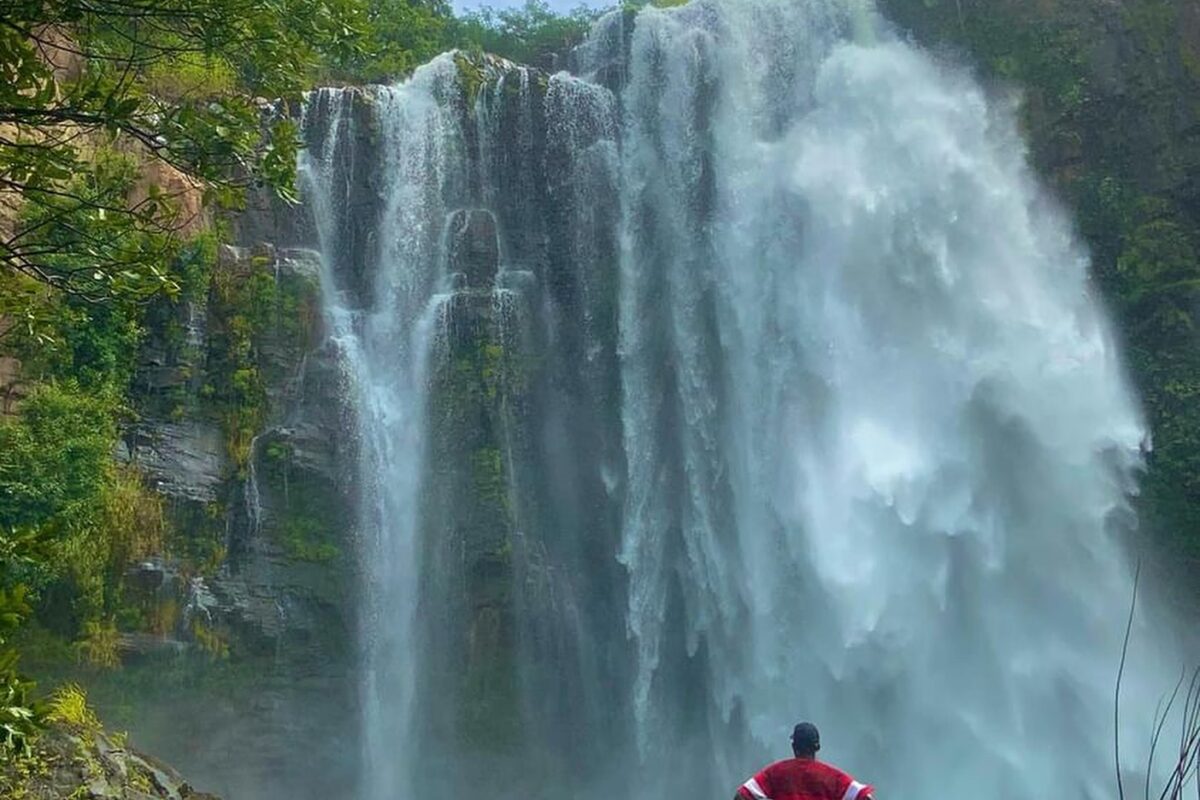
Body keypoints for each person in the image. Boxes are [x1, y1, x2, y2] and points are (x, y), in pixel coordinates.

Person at [735, 722, 875, 800]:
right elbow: (865, 797)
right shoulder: (832, 777)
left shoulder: (775, 773)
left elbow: (741, 795)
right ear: (817, 747)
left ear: (794, 746)